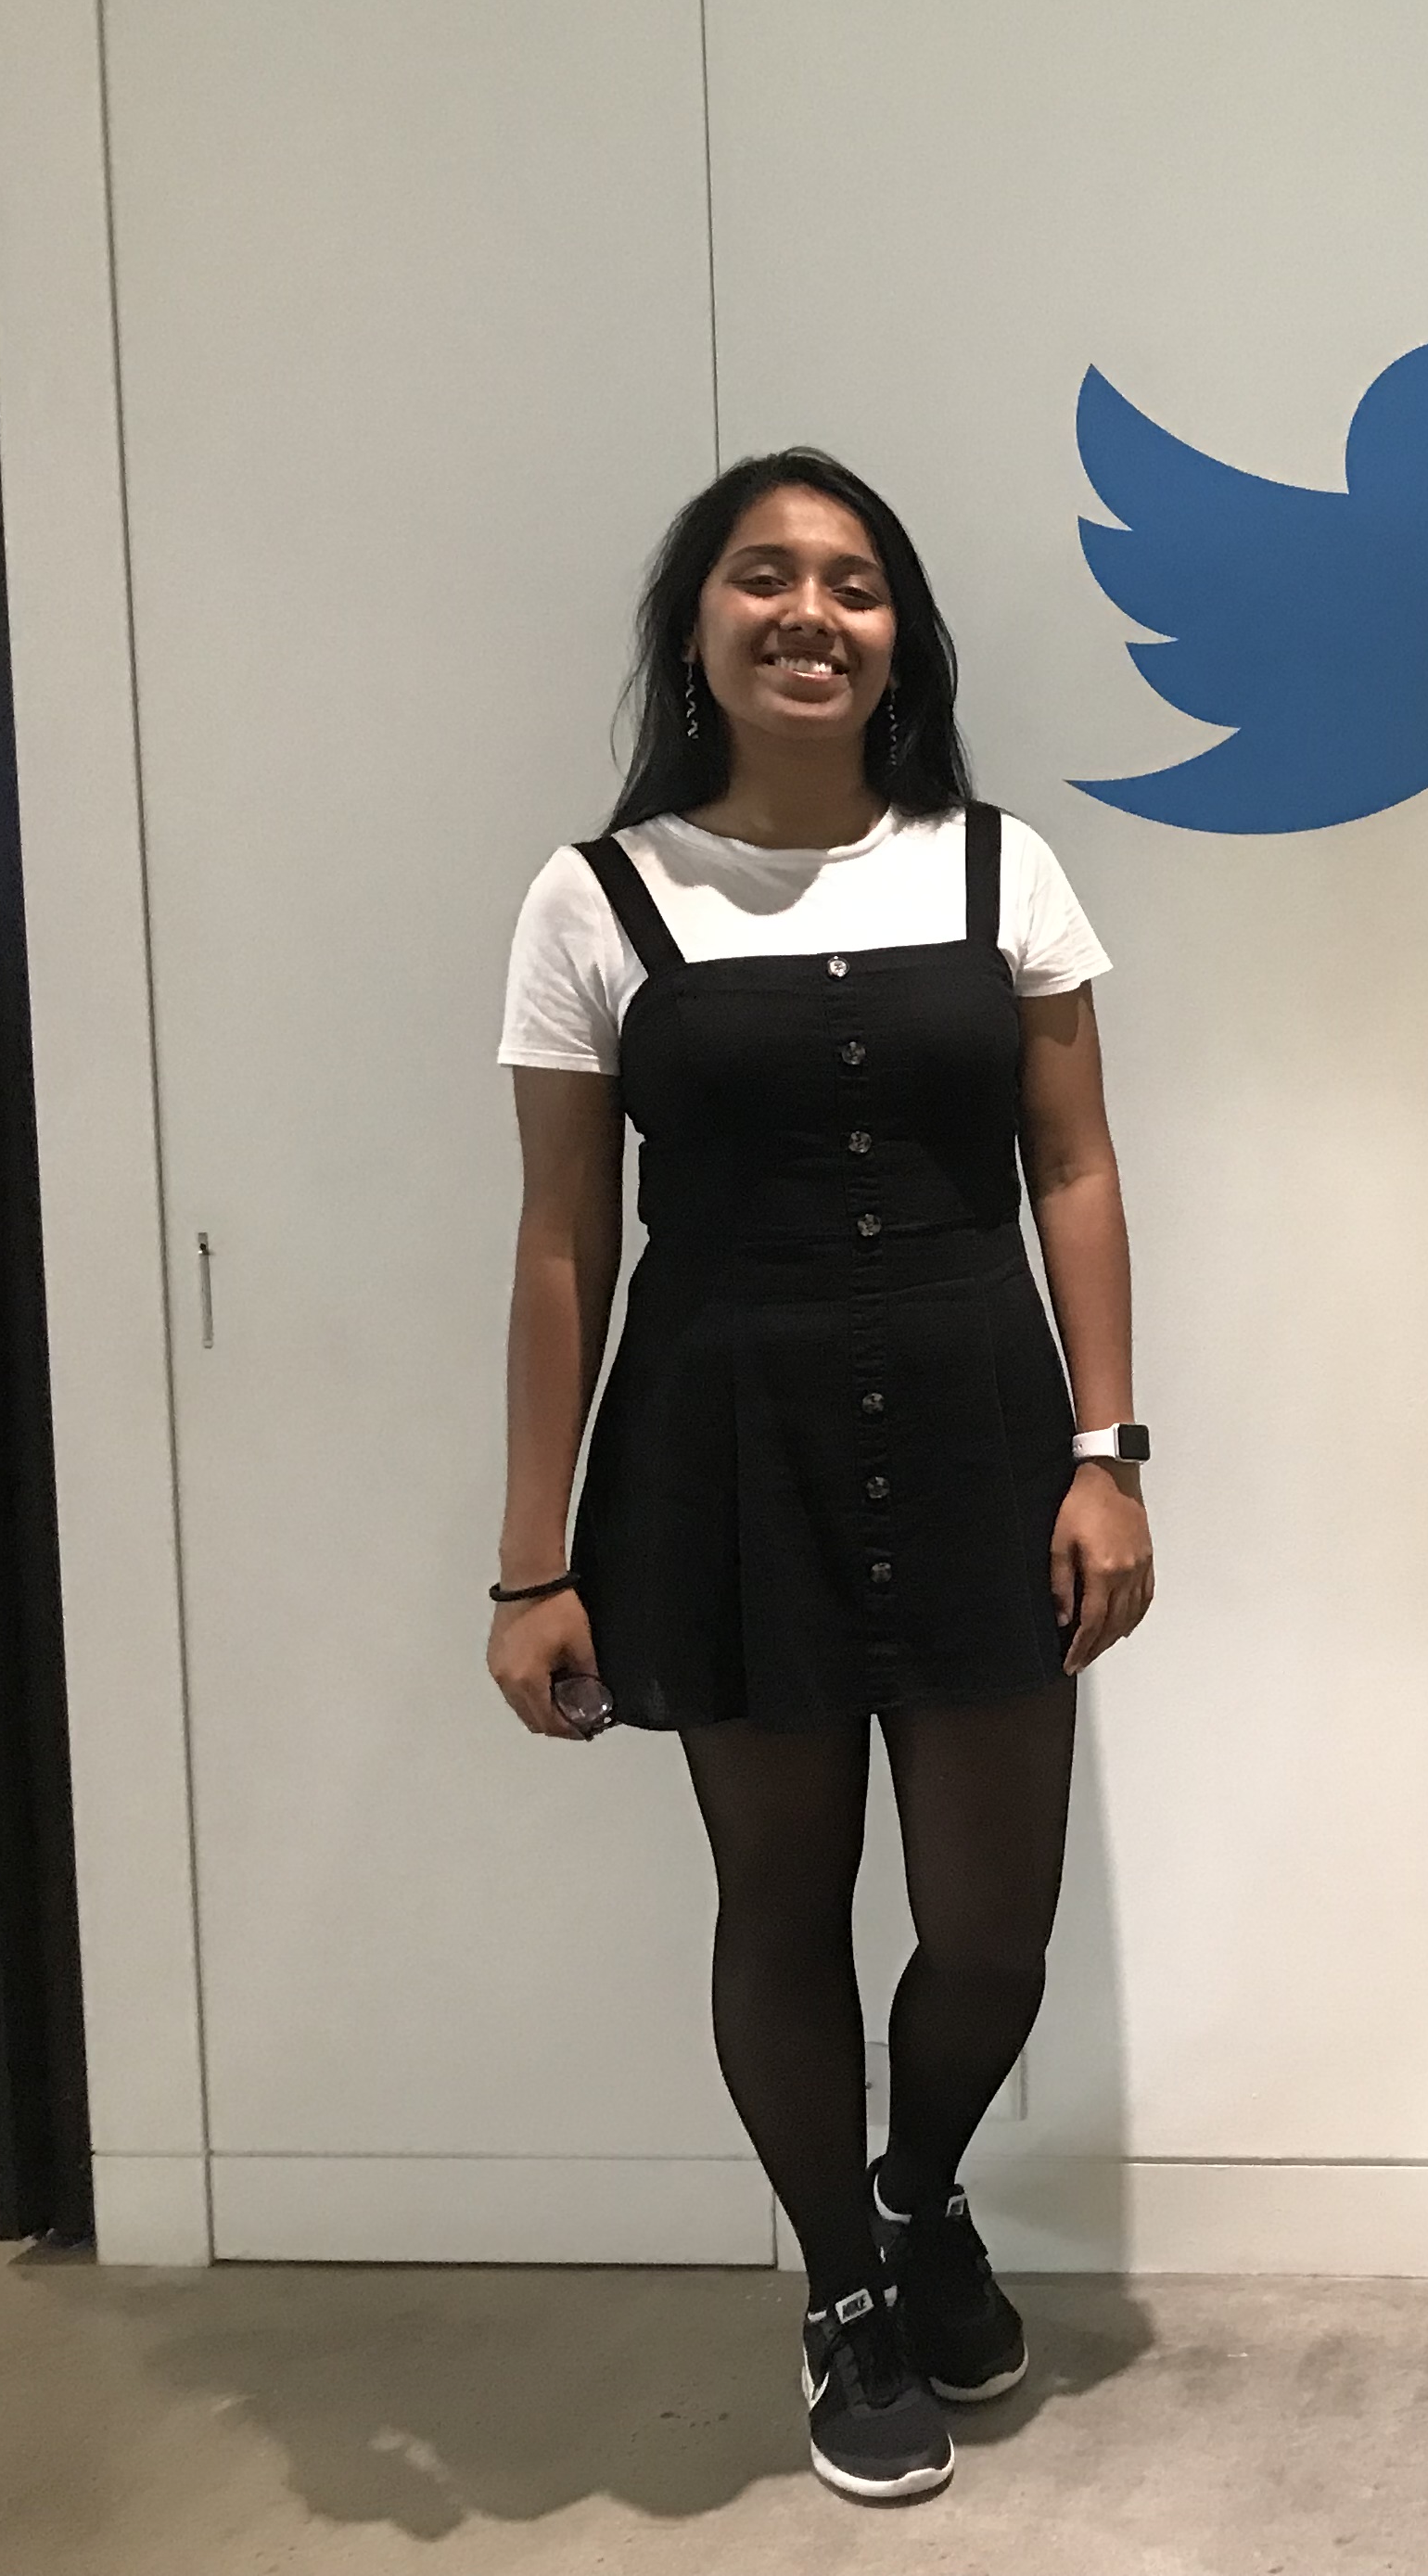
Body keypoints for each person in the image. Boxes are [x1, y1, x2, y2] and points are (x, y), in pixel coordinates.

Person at [485, 451, 1152, 2503]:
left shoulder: (999, 873)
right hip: (722, 1446)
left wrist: (1107, 1451)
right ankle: (852, 2293)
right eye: (762, 577)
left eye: (853, 583)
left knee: (991, 1933)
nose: (808, 612)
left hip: (975, 1432)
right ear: (694, 627)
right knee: (778, 1895)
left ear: (901, 637)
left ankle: (915, 2191)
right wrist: (530, 1570)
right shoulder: (591, 899)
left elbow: (1076, 1168)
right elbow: (563, 1247)